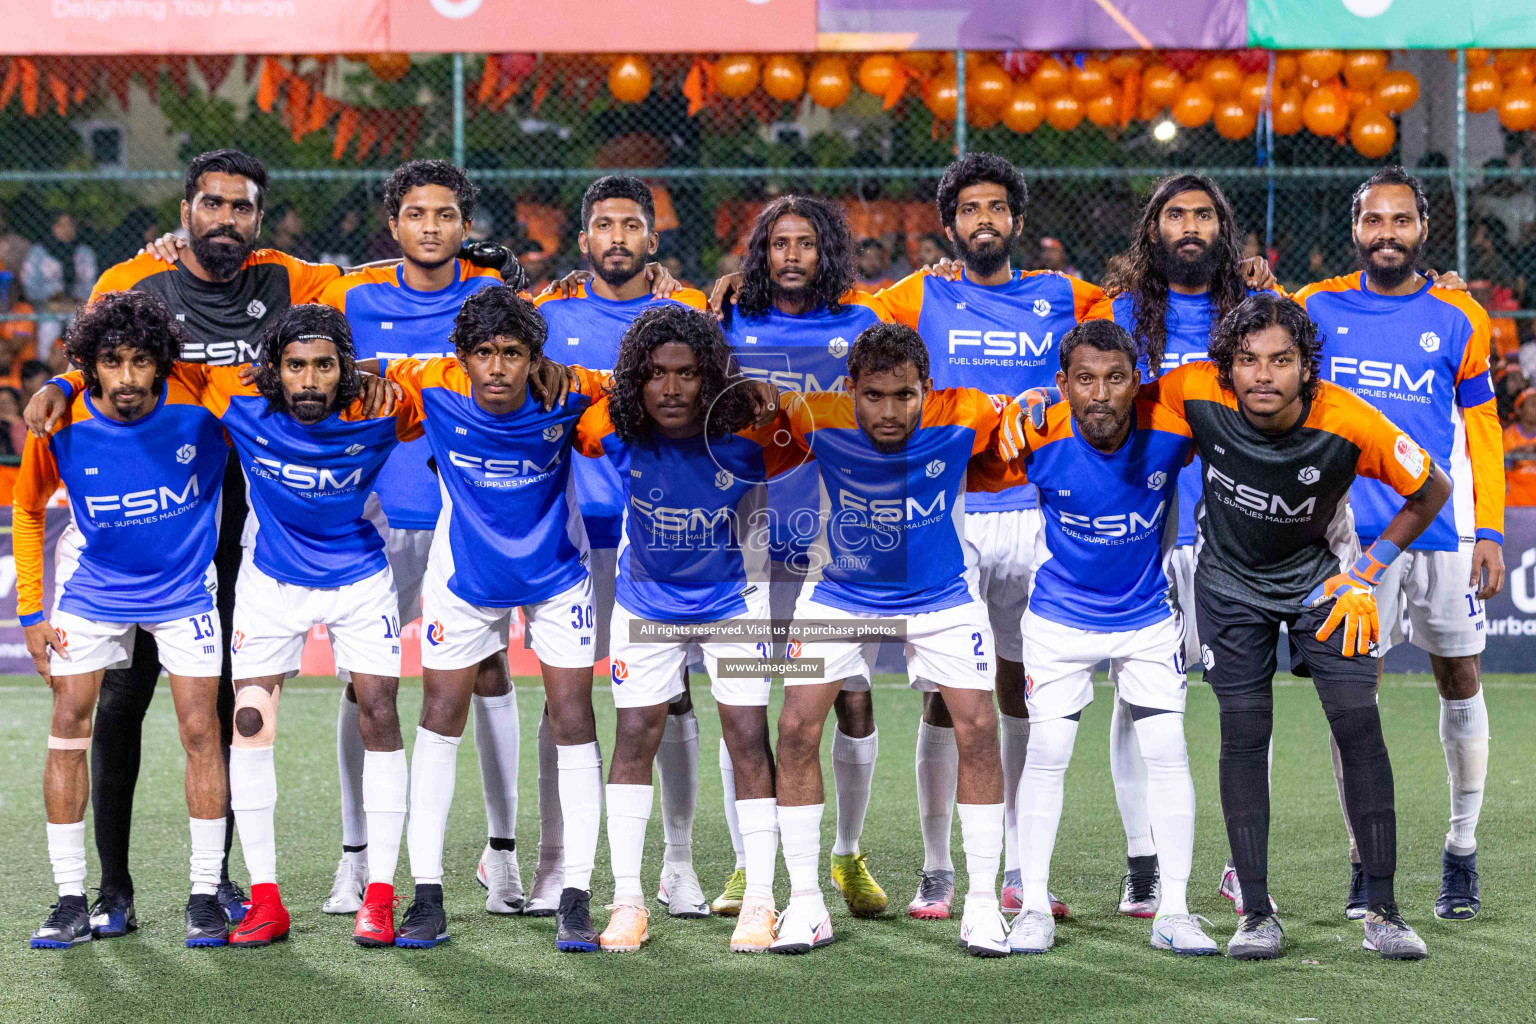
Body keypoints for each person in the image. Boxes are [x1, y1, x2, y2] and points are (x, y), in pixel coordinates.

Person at [36, 304, 413, 948]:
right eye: (296, 365)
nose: (311, 379)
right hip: (270, 577)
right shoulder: (236, 397)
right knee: (247, 720)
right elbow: (151, 365)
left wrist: (391, 371)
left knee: (379, 708)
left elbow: (444, 376)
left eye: (326, 365)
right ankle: (263, 895)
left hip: (358, 572)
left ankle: (379, 892)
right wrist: (67, 381)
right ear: (274, 369)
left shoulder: (384, 404)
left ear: (344, 368)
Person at [1148, 292, 1449, 960]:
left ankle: (1384, 912)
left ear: (1305, 366)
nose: (1263, 374)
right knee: (1244, 735)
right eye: (1248, 360)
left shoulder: (1349, 420)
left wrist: (1367, 569)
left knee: (1358, 726)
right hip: (1229, 587)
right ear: (1226, 367)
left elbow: (1431, 489)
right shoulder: (1193, 391)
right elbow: (1109, 406)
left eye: (1281, 360)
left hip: (1325, 585)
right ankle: (1255, 914)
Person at [876, 153, 1102, 920]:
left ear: (1017, 222)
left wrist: (1251, 277)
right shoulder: (919, 294)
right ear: (948, 225)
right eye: (968, 209)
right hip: (951, 509)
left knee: (1024, 687)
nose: (983, 220)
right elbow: (837, 319)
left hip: (1041, 511)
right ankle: (939, 868)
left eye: (996, 208)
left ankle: (1015, 865)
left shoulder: (1065, 296)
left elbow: (1157, 301)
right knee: (947, 692)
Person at [363, 287, 605, 951]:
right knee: (440, 713)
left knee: (574, 717)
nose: (497, 368)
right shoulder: (432, 383)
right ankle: (428, 894)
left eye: (512, 354)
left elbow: (641, 377)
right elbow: (349, 365)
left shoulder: (571, 391)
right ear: (461, 358)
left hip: (556, 575)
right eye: (484, 354)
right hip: (462, 575)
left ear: (535, 358)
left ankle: (576, 897)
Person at [1296, 166, 1505, 922]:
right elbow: (1255, 355)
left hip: (1445, 530)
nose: (1387, 234)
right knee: (1356, 697)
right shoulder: (1315, 308)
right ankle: (1365, 862)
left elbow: (1481, 430)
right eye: (1373, 221)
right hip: (1355, 536)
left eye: (1401, 221)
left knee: (1460, 678)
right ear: (1355, 230)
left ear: (1423, 229)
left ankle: (1461, 850)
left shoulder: (1458, 316)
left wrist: (1490, 530)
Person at [318, 160, 523, 917]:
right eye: (415, 213)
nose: (430, 227)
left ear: (465, 226)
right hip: (371, 519)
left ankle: (501, 856)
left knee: (492, 674)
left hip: (468, 518)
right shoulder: (350, 297)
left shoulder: (496, 299)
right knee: (365, 686)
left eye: (445, 215)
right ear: (393, 224)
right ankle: (357, 857)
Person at [980, 319, 1217, 956]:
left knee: (1167, 745)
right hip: (1058, 619)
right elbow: (967, 460)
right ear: (1062, 385)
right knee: (1048, 750)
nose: (1102, 394)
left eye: (1116, 378)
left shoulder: (1172, 429)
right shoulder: (1036, 433)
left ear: (1135, 380)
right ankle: (1032, 907)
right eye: (1085, 380)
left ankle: (1174, 909)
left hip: (1145, 618)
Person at [773, 322, 1010, 958]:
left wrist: (1037, 406)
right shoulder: (813, 416)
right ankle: (804, 904)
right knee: (796, 728)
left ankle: (983, 905)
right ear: (849, 388)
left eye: (904, 395)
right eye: (873, 395)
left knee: (979, 728)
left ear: (926, 390)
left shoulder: (967, 413)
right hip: (839, 593)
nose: (889, 410)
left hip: (941, 594)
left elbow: (1019, 426)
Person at [17, 292, 232, 949]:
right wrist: (30, 610)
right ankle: (70, 899)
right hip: (94, 591)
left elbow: (262, 386)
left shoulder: (202, 411)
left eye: (143, 361)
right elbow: (27, 512)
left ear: (163, 363)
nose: (129, 377)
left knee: (201, 727)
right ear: (91, 367)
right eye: (112, 362)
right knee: (68, 728)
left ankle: (203, 896)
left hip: (185, 590)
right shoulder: (61, 423)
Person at [576, 304, 789, 954]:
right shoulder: (614, 431)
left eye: (689, 374)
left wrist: (774, 402)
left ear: (711, 377)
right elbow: (575, 404)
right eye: (657, 374)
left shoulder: (746, 436)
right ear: (636, 380)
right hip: (645, 605)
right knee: (635, 732)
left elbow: (813, 434)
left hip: (731, 603)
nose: (671, 388)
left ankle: (760, 902)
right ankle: (629, 901)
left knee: (748, 736)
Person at [1088, 173, 1268, 918]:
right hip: (1146, 537)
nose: (1188, 227)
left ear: (1222, 228)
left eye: (1202, 215)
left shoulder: (1258, 311)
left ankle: (1237, 863)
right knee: (1139, 702)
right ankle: (1143, 863)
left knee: (1242, 705)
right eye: (1174, 215)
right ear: (1153, 228)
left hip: (1235, 535)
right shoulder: (1121, 315)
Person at [534, 175, 713, 919]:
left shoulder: (690, 312)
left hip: (666, 540)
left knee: (672, 696)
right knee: (564, 699)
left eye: (631, 225)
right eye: (603, 225)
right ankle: (553, 863)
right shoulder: (549, 312)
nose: (617, 237)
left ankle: (678, 864)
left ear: (652, 237)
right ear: (584, 241)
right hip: (573, 537)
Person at [710, 194, 893, 919]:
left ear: (827, 254)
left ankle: (846, 854)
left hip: (836, 539)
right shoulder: (726, 319)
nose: (792, 255)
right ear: (760, 253)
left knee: (850, 696)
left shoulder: (863, 324)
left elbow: (891, 412)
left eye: (806, 244)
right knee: (744, 701)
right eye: (779, 243)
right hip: (746, 535)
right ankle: (747, 863)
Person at [1504, 388, 1536, 506]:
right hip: (1514, 493)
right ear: (1519, 409)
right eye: (1533, 404)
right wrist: (1515, 454)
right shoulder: (1506, 436)